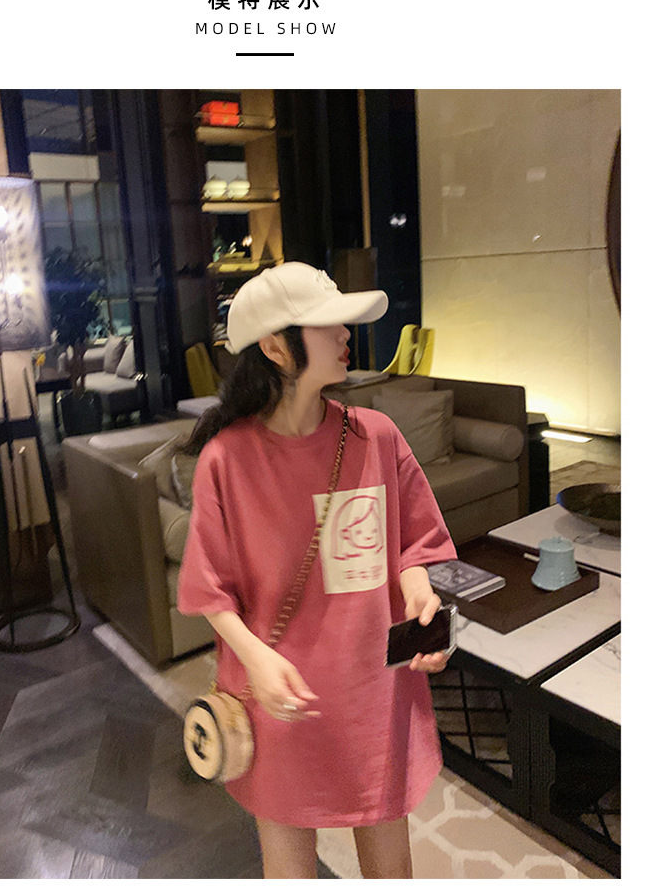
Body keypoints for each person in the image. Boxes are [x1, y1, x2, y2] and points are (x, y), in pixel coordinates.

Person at [177, 262, 457, 879]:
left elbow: (415, 539)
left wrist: (418, 591)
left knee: (390, 864)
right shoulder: (227, 460)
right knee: (289, 868)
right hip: (281, 696)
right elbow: (208, 589)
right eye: (328, 323)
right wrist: (256, 659)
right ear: (276, 348)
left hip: (373, 691)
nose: (345, 333)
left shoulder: (375, 435)